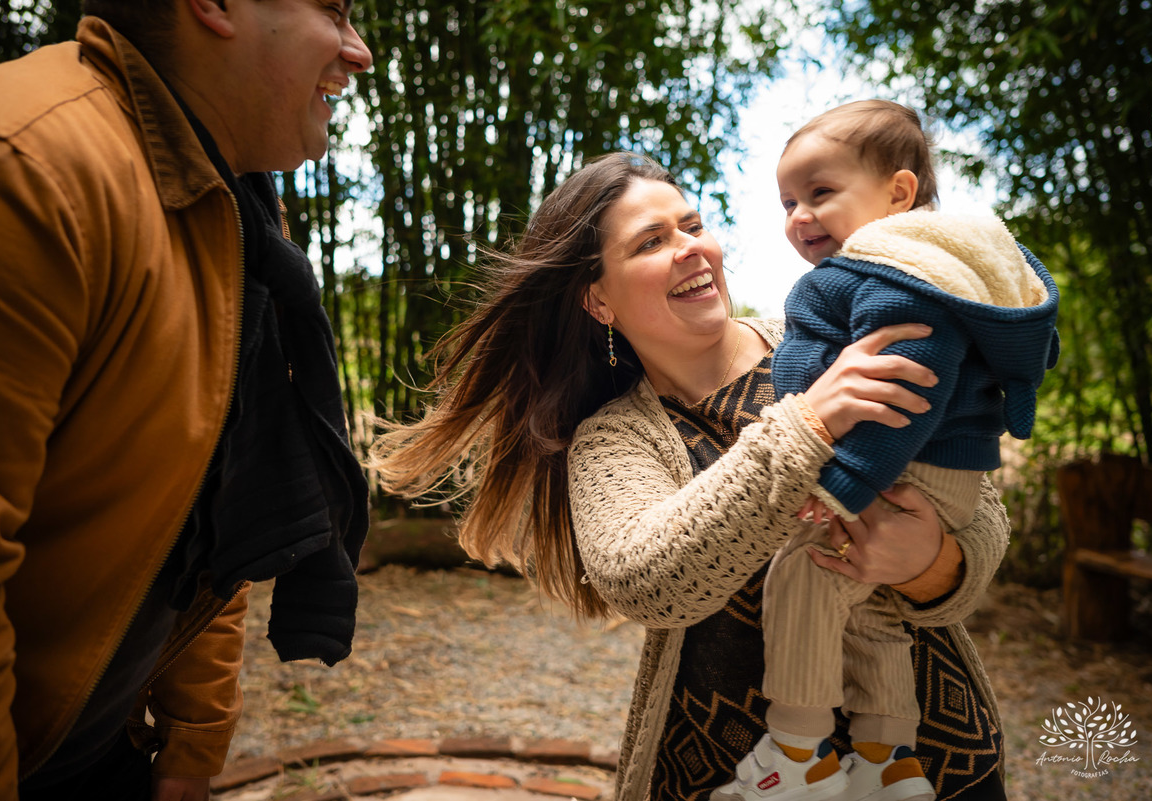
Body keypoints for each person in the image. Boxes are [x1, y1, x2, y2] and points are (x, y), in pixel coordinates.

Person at [371, 152, 1012, 801]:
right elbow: (647, 581)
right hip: (731, 771)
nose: (690, 249)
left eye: (692, 224)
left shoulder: (832, 339)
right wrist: (806, 425)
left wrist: (931, 562)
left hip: (932, 763)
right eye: (651, 242)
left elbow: (975, 507)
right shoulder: (617, 437)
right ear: (598, 299)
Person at [0, 2, 373, 799]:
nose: (358, 52)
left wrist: (193, 744)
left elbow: (215, 502)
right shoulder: (31, 168)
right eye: (332, 10)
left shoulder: (230, 200)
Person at [708, 101, 1060, 801]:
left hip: (905, 465)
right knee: (872, 609)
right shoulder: (893, 270)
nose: (799, 216)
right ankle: (888, 757)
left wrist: (845, 480)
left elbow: (906, 393)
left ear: (898, 193)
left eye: (820, 193)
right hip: (929, 470)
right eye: (786, 202)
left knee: (807, 568)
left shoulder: (900, 275)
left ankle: (799, 753)